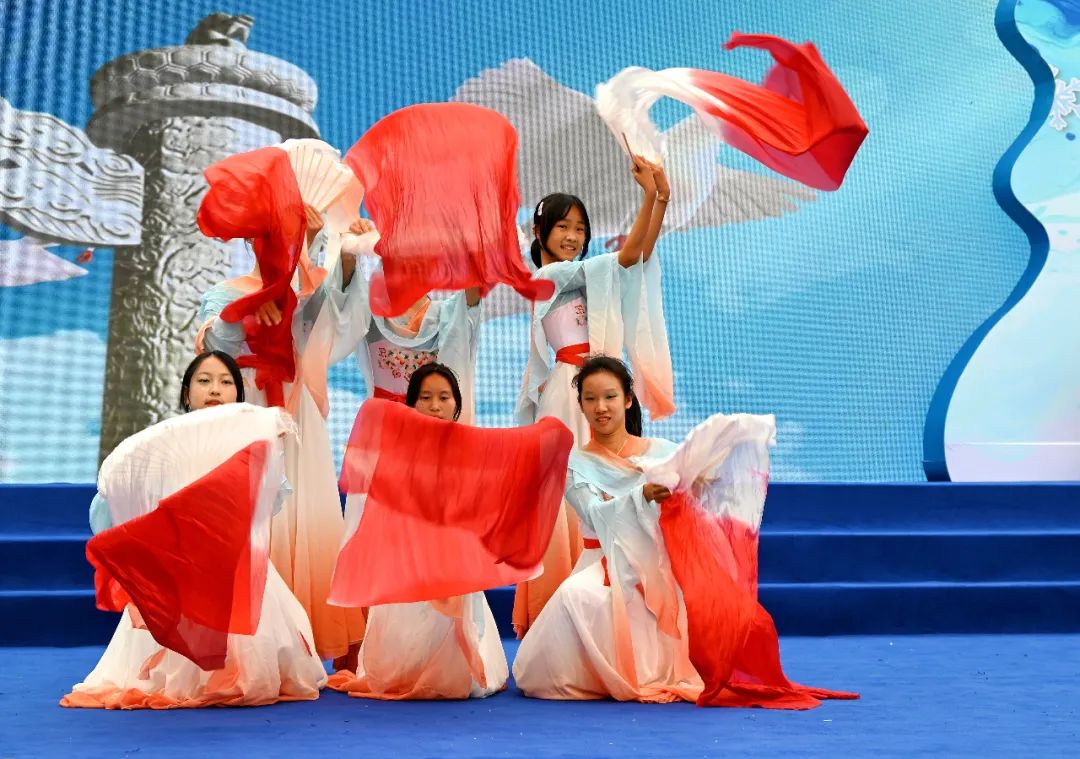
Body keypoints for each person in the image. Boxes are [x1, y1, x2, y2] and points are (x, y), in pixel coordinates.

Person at [62, 352, 327, 709]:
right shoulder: (164, 444)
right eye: (204, 381)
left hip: (236, 558)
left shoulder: (253, 439)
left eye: (225, 382)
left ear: (238, 393)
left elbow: (271, 502)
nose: (215, 389)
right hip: (181, 563)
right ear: (187, 393)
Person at [512, 156, 675, 636]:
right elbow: (625, 258)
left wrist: (660, 199)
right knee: (569, 498)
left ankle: (613, 611)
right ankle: (560, 615)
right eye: (563, 226)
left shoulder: (582, 273)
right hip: (568, 396)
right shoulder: (549, 278)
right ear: (539, 232)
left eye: (580, 228)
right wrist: (650, 197)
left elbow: (635, 258)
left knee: (615, 489)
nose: (573, 236)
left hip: (598, 389)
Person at [196, 207, 366, 666]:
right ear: (251, 242)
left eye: (286, 238)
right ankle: (248, 640)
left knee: (302, 515)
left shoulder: (306, 291)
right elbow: (213, 349)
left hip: (295, 412)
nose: (275, 247)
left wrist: (346, 256)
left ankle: (308, 640)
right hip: (245, 408)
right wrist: (250, 306)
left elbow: (337, 323)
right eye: (268, 238)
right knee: (251, 515)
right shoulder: (223, 292)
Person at [326, 363, 509, 700]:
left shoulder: (471, 451)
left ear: (457, 404)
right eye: (425, 398)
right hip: (405, 567)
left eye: (444, 397)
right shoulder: (393, 454)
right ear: (411, 404)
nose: (435, 406)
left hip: (455, 565)